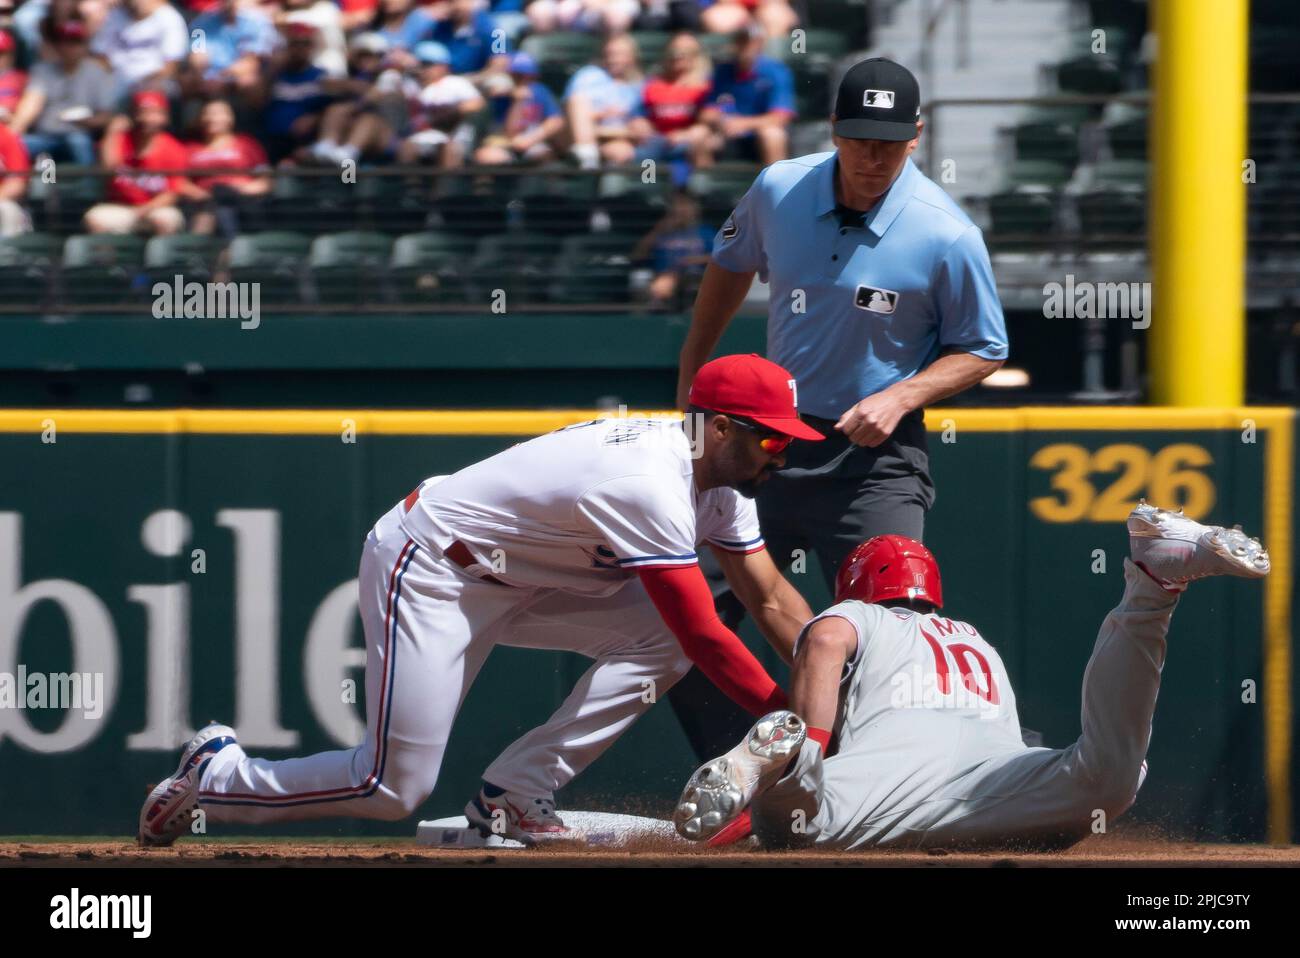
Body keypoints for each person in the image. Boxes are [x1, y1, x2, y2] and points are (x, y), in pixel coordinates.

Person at [137, 354, 822, 847]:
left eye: (788, 439)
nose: (782, 453)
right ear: (719, 428)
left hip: (532, 578)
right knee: (389, 789)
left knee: (661, 640)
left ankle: (515, 795)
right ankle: (218, 776)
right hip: (435, 569)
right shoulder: (649, 478)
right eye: (771, 437)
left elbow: (769, 599)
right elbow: (706, 635)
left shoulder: (726, 489)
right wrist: (784, 723)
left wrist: (823, 704)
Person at [670, 58, 1008, 762]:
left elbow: (984, 348)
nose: (873, 156)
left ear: (917, 136)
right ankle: (751, 777)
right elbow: (729, 269)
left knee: (890, 632)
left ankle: (879, 785)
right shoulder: (778, 187)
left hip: (875, 458)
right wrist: (693, 370)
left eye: (888, 140)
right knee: (688, 616)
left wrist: (903, 393)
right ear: (834, 131)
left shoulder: (947, 233)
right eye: (859, 138)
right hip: (767, 447)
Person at [673, 503, 1272, 849]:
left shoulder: (857, 614)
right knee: (1109, 778)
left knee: (791, 828)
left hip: (883, 788)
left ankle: (788, 766)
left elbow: (825, 638)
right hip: (993, 789)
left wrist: (818, 745)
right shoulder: (976, 641)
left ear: (860, 587)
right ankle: (1152, 588)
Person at [9, 19, 115, 166]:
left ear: (85, 45)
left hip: (80, 134)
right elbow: (31, 105)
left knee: (78, 141)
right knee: (20, 145)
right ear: (57, 45)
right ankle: (41, 185)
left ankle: (88, 185)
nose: (70, 47)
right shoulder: (43, 70)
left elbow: (106, 116)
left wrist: (87, 121)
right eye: (65, 42)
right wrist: (12, 133)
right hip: (46, 137)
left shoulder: (96, 72)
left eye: (76, 42)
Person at [83, 89, 188, 234]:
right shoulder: (119, 139)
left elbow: (172, 193)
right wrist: (112, 132)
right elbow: (109, 169)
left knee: (165, 219)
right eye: (143, 112)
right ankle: (108, 258)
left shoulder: (174, 148)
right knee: (95, 218)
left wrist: (143, 210)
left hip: (155, 208)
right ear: (133, 115)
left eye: (155, 113)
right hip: (122, 207)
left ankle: (159, 256)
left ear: (164, 117)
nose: (148, 119)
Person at [697, 23, 794, 166]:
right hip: (726, 132)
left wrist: (743, 124)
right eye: (741, 41)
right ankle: (704, 186)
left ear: (760, 44)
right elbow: (706, 113)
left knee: (773, 135)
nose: (746, 47)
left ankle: (777, 185)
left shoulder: (776, 71)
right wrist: (722, 122)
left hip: (758, 132)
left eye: (751, 42)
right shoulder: (722, 71)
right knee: (699, 135)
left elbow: (781, 116)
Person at [181, 98, 270, 236]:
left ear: (231, 118)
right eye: (207, 113)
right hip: (203, 203)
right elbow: (180, 182)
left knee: (222, 204)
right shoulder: (190, 148)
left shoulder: (247, 144)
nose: (212, 118)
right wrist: (203, 195)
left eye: (218, 113)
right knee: (217, 207)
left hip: (241, 203)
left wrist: (240, 190)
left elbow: (265, 180)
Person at [395, 40, 485, 169]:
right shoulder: (411, 85)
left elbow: (477, 103)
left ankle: (447, 188)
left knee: (447, 147)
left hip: (453, 135)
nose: (422, 69)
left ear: (443, 66)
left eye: (427, 64)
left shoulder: (454, 82)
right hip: (422, 135)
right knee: (406, 147)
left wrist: (451, 112)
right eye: (420, 65)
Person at [564, 32, 646, 169]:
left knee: (623, 152)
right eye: (610, 54)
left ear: (632, 57)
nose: (614, 59)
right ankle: (586, 155)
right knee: (577, 101)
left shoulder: (640, 86)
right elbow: (573, 112)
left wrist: (606, 130)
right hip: (577, 136)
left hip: (616, 138)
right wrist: (600, 115)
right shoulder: (588, 75)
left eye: (620, 54)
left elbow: (639, 130)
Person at [473, 51, 563, 165]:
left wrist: (531, 139)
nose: (522, 80)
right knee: (488, 156)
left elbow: (556, 121)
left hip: (531, 142)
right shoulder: (498, 94)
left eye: (526, 76)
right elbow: (510, 132)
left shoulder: (540, 91)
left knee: (544, 154)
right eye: (516, 75)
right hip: (501, 143)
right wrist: (516, 100)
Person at [90, 0, 190, 96]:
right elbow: (99, 56)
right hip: (115, 82)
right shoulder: (113, 16)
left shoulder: (169, 18)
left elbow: (170, 66)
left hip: (153, 84)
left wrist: (139, 85)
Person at [0, 115, 30, 235]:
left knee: (8, 211)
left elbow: (17, 183)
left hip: (2, 199)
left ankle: (7, 252)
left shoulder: (6, 136)